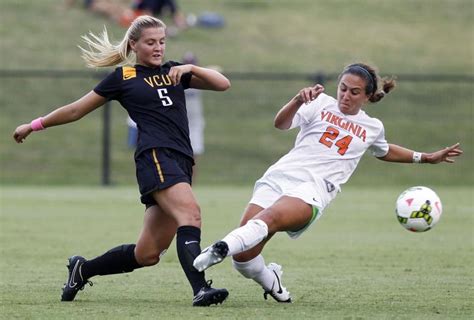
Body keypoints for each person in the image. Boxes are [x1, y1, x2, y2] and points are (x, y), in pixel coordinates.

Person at [192, 63, 463, 302]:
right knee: (245, 260)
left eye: (354, 92)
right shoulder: (319, 103)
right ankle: (272, 280)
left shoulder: (372, 127)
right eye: (343, 88)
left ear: (367, 96)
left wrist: (425, 158)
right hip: (279, 177)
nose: (345, 95)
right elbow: (280, 124)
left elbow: (383, 150)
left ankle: (220, 247)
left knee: (268, 219)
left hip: (313, 190)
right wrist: (298, 100)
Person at [13, 15, 231, 307]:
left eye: (162, 42)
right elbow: (76, 110)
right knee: (190, 216)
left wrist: (190, 67)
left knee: (148, 254)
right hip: (155, 155)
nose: (158, 48)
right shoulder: (123, 77)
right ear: (134, 45)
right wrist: (34, 124)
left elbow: (223, 84)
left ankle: (83, 269)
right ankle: (200, 289)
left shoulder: (174, 71)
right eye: (150, 42)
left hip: (180, 159)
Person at [182, 52, 205, 179]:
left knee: (194, 158)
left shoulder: (199, 79)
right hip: (181, 123)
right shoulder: (177, 79)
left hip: (195, 124)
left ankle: (190, 185)